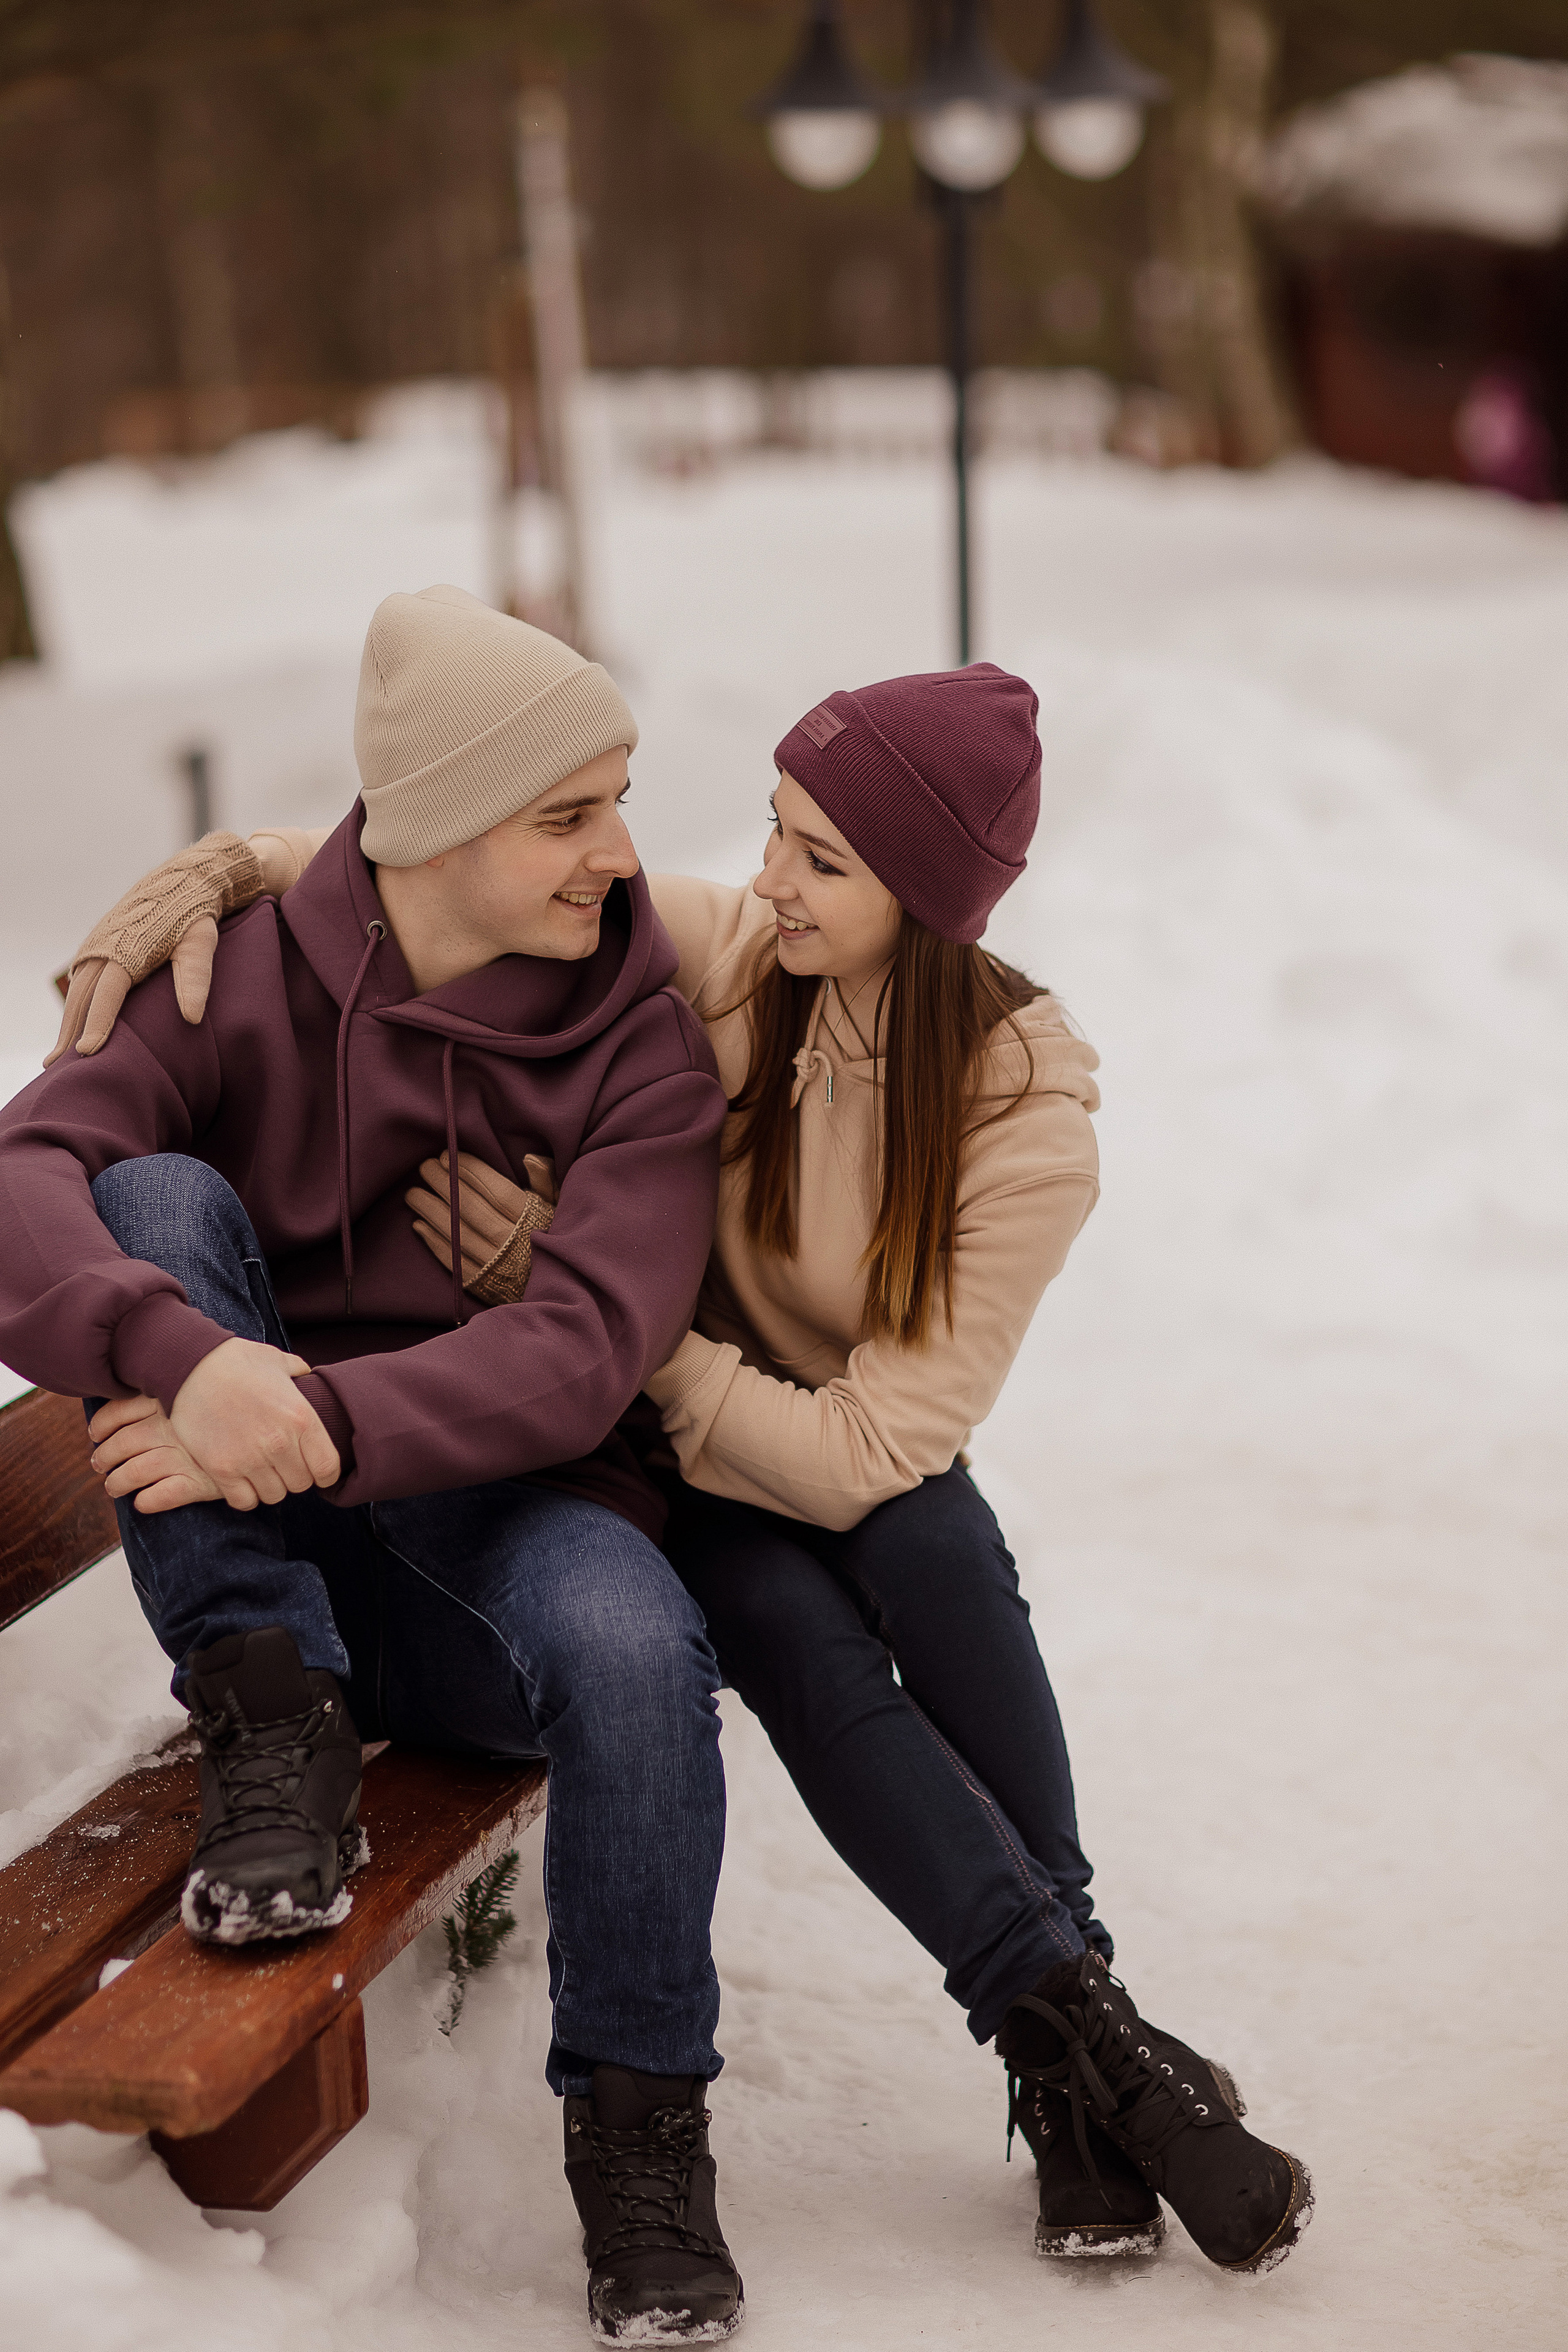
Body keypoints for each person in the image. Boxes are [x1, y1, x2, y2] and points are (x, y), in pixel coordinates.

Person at [51, 659, 1314, 2280]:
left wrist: (605, 1308)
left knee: (929, 1546)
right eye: (777, 835)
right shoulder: (750, 958)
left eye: (821, 859)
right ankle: (1096, 2046)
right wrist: (229, 862)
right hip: (668, 1471)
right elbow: (450, 845)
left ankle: (1071, 2035)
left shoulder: (1026, 1123)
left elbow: (873, 1449)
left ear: (930, 906)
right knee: (793, 1625)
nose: (766, 878)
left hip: (814, 1448)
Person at [2, 584, 746, 2344]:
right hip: (272, 1570)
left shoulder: (640, 1036)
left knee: (642, 1655)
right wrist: (184, 1360)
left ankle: (642, 2135)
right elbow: (24, 1171)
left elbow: (584, 1352)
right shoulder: (220, 976)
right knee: (150, 1202)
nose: (617, 857)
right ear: (433, 830)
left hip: (502, 1532)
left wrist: (317, 1419)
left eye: (621, 800)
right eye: (570, 814)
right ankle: (274, 1723)